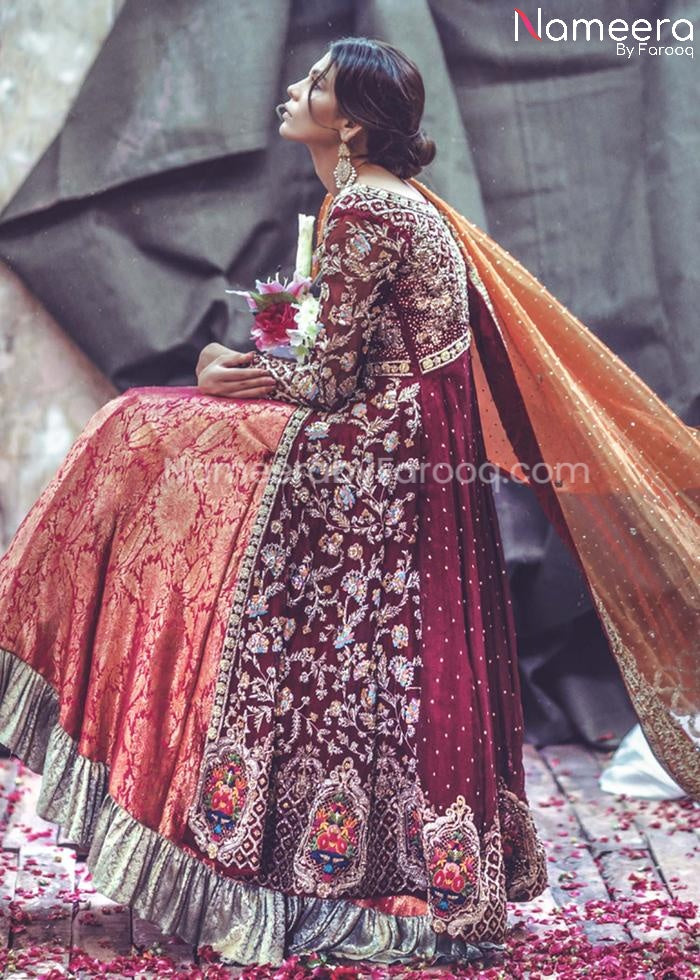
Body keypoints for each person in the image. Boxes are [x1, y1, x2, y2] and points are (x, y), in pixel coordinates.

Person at [0, 34, 698, 971]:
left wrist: (228, 375)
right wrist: (246, 375)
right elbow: (354, 363)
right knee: (147, 432)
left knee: (134, 435)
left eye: (317, 84)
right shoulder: (389, 200)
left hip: (367, 467)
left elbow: (328, 384)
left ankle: (99, 666)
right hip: (397, 461)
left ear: (354, 124)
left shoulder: (366, 208)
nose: (293, 89)